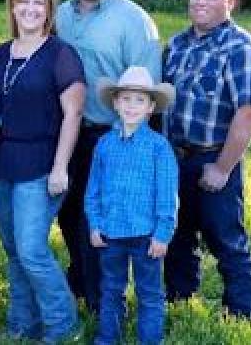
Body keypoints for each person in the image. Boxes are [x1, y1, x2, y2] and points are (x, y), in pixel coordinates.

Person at [55, 0, 162, 312]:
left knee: (100, 219)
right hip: (66, 132)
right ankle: (82, 283)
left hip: (110, 135)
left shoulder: (133, 20)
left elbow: (146, 83)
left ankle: (106, 304)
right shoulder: (62, 14)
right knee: (68, 215)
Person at [0, 0, 85, 343]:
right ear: (13, 7)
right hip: (1, 166)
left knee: (31, 250)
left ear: (48, 12)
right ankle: (21, 325)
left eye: (38, 4)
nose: (30, 9)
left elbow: (73, 115)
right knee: (14, 252)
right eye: (23, 2)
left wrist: (60, 167)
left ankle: (62, 326)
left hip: (42, 166)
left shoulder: (61, 54)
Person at [163, 0, 251, 318]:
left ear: (229, 1)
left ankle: (242, 313)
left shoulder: (242, 47)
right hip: (175, 158)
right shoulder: (177, 44)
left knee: (226, 240)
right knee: (177, 237)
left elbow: (248, 113)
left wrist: (222, 168)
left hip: (214, 160)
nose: (201, 2)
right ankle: (179, 300)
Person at [85, 66, 178, 345]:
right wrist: (95, 223)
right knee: (111, 289)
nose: (131, 106)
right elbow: (94, 188)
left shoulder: (159, 147)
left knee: (149, 293)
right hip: (111, 233)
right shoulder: (104, 144)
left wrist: (163, 233)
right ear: (115, 103)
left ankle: (149, 340)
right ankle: (107, 338)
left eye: (139, 100)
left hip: (146, 234)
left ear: (151, 107)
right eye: (126, 99)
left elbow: (167, 194)